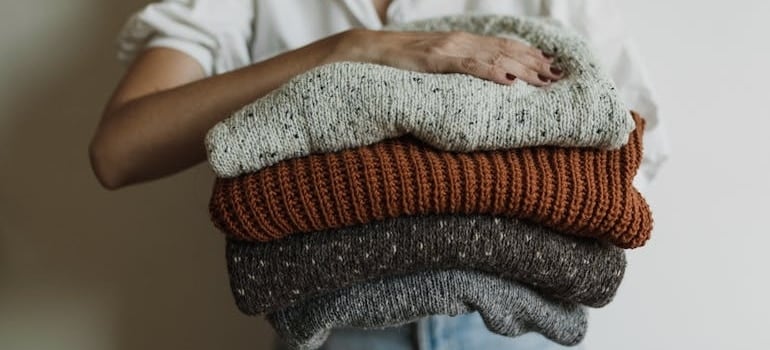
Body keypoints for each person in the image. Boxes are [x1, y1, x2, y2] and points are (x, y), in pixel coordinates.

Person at [89, 0, 669, 349]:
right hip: (330, 336)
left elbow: (626, 149)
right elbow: (119, 150)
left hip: (515, 337)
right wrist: (352, 50)